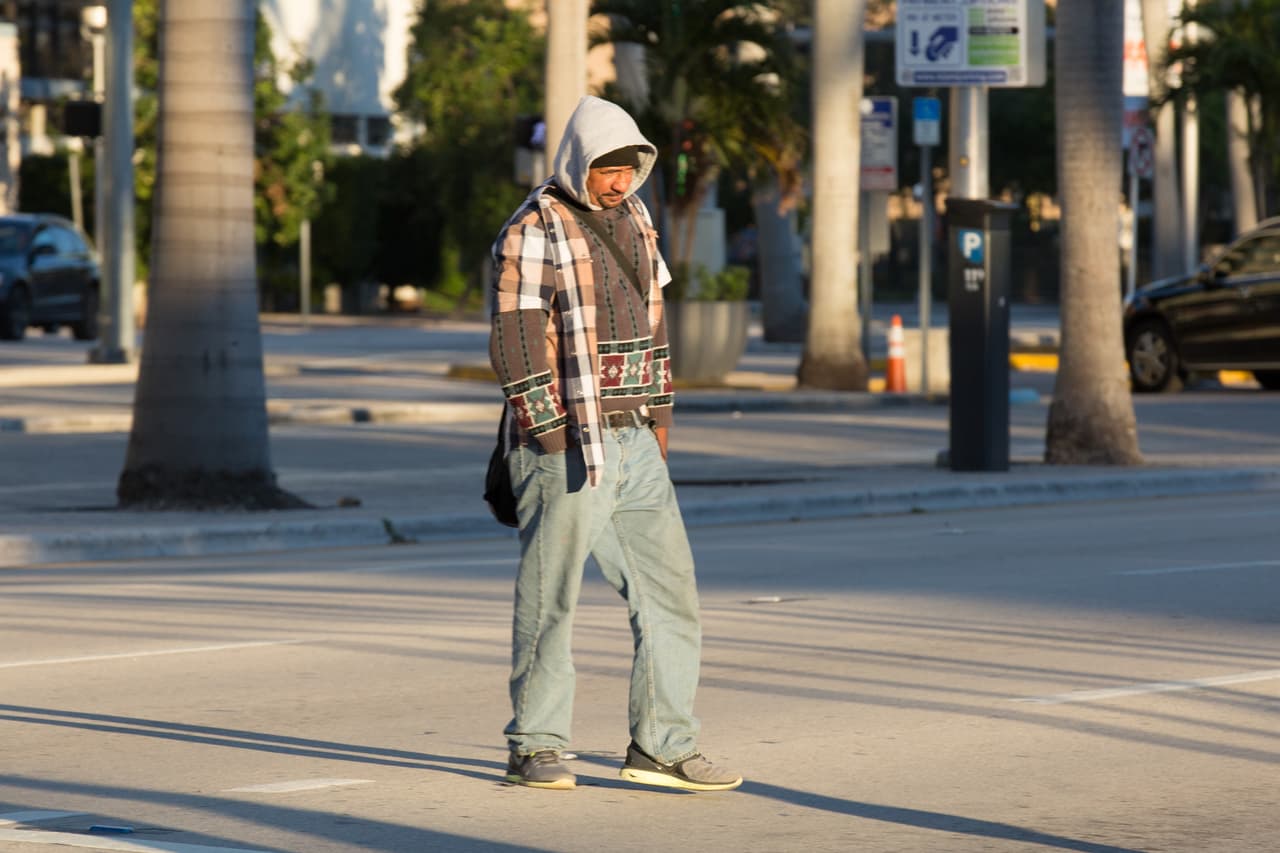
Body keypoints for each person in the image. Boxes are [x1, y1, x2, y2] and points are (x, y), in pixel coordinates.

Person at [488, 95, 742, 793]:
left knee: (670, 592)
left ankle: (662, 745)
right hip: (568, 442)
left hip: (633, 442)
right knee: (552, 598)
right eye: (607, 168)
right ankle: (534, 745)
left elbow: (653, 323)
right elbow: (513, 339)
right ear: (578, 162)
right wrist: (548, 430)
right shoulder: (532, 227)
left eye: (628, 167)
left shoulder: (635, 219)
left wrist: (661, 416)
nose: (618, 181)